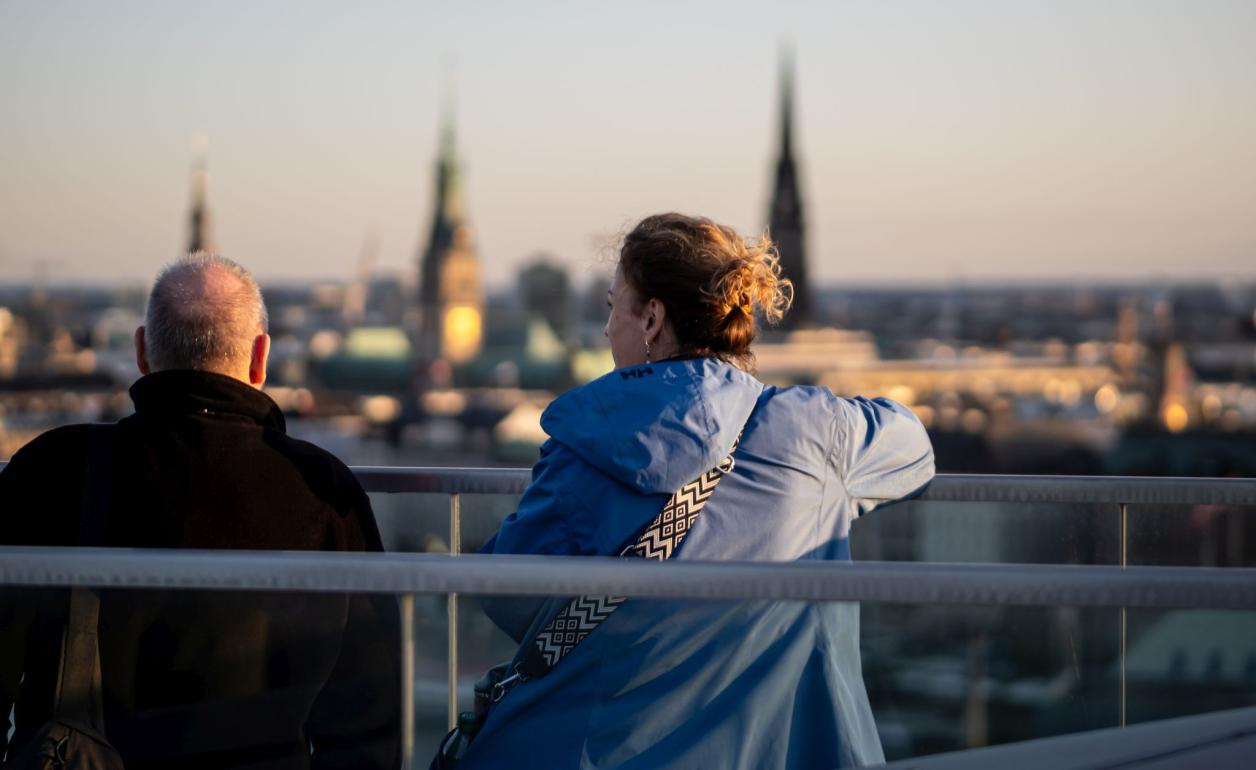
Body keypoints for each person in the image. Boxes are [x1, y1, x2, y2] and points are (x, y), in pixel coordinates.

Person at [463, 214, 934, 769]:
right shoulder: (815, 430)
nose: (607, 327)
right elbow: (915, 450)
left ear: (653, 318)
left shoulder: (581, 447)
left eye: (614, 307)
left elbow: (509, 597)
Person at [0, 253, 400, 769]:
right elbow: (368, 717)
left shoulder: (49, 469)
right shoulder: (322, 491)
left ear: (142, 351)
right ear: (261, 358)